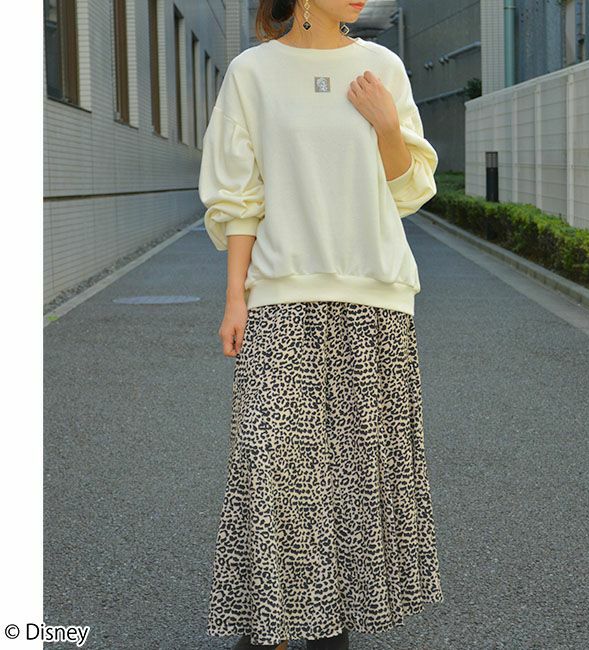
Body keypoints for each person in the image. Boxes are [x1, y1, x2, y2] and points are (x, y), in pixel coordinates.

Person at [198, 1, 444, 648]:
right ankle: (273, 622)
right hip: (280, 297)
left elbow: (410, 192)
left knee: (357, 476)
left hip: (375, 298)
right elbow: (240, 197)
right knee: (273, 467)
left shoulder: (382, 66)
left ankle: (330, 624)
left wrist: (386, 125)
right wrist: (235, 298)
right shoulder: (252, 73)